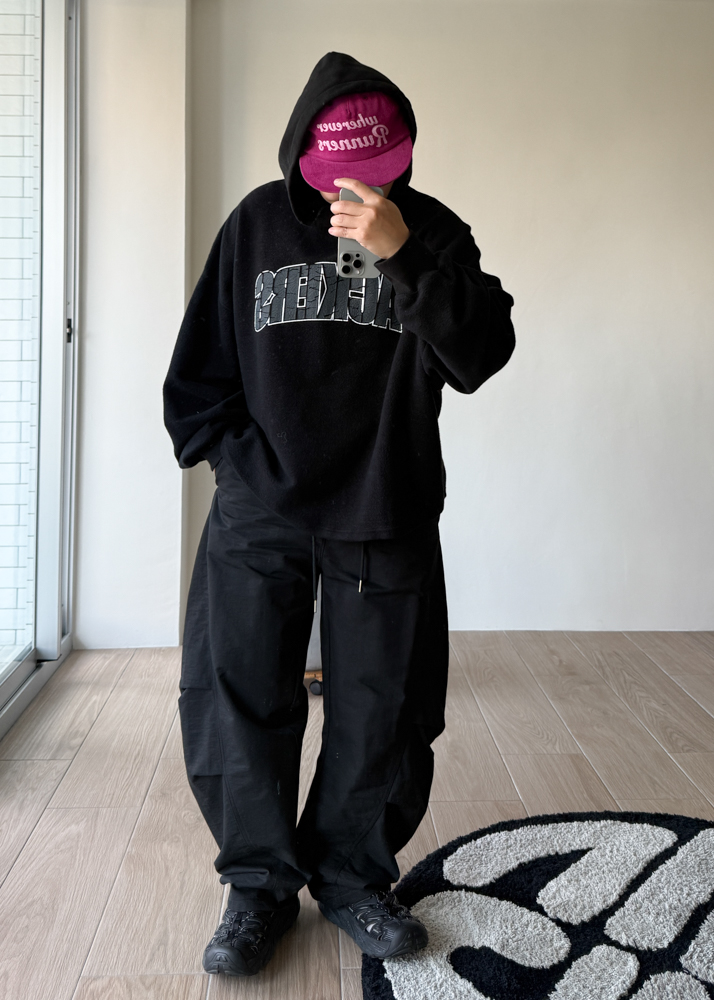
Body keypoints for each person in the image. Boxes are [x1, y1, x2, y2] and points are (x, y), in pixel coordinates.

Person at [163, 51, 515, 978]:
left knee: (385, 704)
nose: (354, 188)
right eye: (334, 169)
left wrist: (403, 254)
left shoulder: (431, 231)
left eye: (376, 167)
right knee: (238, 692)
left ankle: (355, 878)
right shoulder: (256, 224)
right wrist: (235, 464)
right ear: (301, 153)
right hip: (262, 502)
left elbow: (481, 353)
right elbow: (199, 367)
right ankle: (257, 887)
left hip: (385, 502)